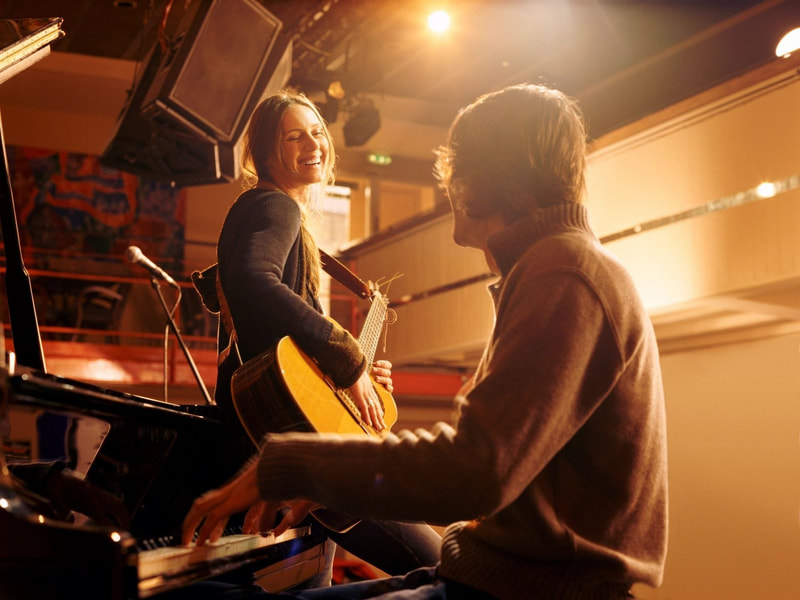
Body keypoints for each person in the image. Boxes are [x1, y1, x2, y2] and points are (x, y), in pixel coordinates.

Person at [179, 83, 669, 600]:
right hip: (498, 575)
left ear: (483, 179)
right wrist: (324, 463)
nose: (447, 184)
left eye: (453, 168)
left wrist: (301, 466)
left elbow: (477, 468)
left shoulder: (562, 275)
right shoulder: (551, 270)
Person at [191, 90, 441, 583]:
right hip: (297, 447)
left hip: (280, 435)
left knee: (312, 583)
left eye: (318, 132)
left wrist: (356, 375)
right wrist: (348, 361)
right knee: (446, 568)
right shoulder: (274, 205)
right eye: (294, 136)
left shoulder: (273, 212)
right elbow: (253, 279)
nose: (314, 143)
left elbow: (280, 331)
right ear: (266, 152)